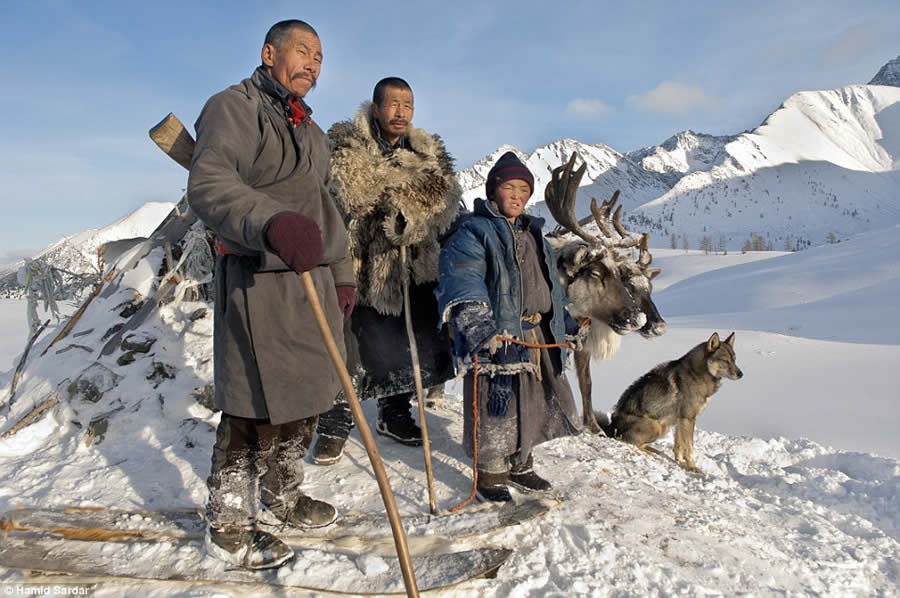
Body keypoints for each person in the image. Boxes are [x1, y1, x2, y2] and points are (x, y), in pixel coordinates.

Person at [187, 19, 356, 569]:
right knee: (252, 403)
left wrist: (344, 271)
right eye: (302, 51)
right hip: (257, 278)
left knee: (308, 396)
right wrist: (270, 221)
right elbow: (210, 183)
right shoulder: (232, 108)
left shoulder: (312, 132)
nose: (312, 63)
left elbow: (328, 208)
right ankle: (230, 522)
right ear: (268, 52)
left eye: (320, 57)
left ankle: (281, 495)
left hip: (313, 281)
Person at [310, 77, 460, 464]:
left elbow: (446, 201)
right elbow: (356, 194)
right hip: (361, 267)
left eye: (407, 105)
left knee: (404, 344)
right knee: (353, 348)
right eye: (393, 104)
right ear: (375, 108)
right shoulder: (347, 144)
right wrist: (409, 192)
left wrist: (412, 213)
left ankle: (394, 413)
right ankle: (334, 422)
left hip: (411, 266)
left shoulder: (428, 149)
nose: (401, 112)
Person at [435, 151, 583, 502]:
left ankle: (521, 463)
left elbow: (551, 289)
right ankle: (491, 476)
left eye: (523, 189)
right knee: (495, 405)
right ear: (493, 191)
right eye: (509, 187)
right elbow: (464, 276)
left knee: (532, 400)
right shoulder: (474, 231)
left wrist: (568, 322)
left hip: (535, 336)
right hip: (496, 335)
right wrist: (473, 315)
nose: (517, 195)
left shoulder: (536, 236)